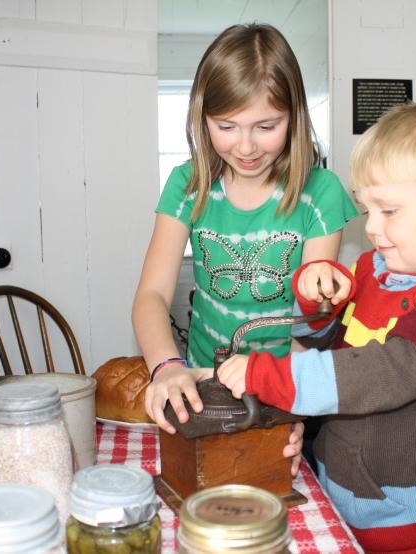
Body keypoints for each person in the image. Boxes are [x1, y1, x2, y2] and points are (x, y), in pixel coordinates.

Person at [216, 99, 416, 553]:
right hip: (346, 508)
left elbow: (391, 371)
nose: (370, 227)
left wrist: (274, 376)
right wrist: (317, 307)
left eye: (388, 210)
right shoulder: (374, 269)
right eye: (365, 209)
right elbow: (331, 350)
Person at [132, 21, 357, 464]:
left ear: (295, 116)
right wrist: (166, 367)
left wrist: (293, 406)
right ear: (203, 118)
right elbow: (151, 295)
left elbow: (307, 329)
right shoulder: (187, 185)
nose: (247, 146)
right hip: (202, 383)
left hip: (284, 386)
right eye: (227, 126)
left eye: (266, 125)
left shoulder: (321, 193)